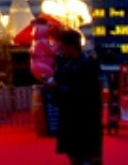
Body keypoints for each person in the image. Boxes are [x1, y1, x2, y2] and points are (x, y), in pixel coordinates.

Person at [51, 30, 103, 165]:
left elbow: (82, 94)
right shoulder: (68, 64)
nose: (59, 50)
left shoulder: (86, 65)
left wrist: (57, 88)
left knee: (81, 157)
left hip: (82, 121)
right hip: (71, 119)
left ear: (71, 47)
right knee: (73, 155)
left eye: (62, 47)